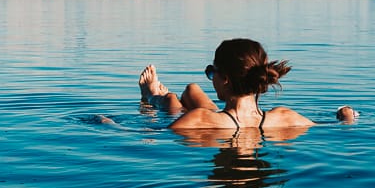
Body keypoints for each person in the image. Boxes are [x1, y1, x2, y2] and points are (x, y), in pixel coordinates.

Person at [138, 38, 357, 130]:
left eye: (211, 71)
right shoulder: (285, 117)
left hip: (221, 120)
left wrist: (104, 120)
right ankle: (161, 97)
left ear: (224, 79)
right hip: (237, 119)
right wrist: (345, 113)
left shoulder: (198, 119)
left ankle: (151, 96)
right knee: (192, 89)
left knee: (174, 101)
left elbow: (154, 133)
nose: (211, 78)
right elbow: (336, 126)